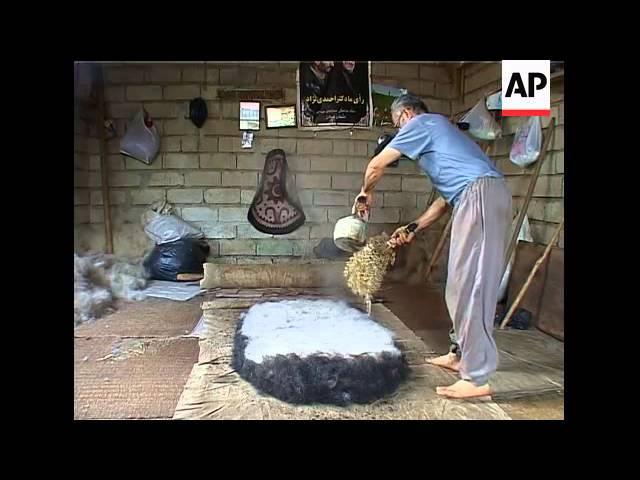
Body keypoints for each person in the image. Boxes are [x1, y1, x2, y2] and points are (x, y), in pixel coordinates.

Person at [354, 94, 512, 399]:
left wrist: (366, 193)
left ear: (408, 114)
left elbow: (375, 166)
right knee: (460, 285)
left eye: (397, 123)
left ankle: (477, 378)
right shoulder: (441, 140)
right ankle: (459, 354)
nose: (399, 130)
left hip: (479, 197)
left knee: (469, 287)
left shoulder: (423, 123)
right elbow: (442, 202)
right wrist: (412, 227)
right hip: (475, 196)